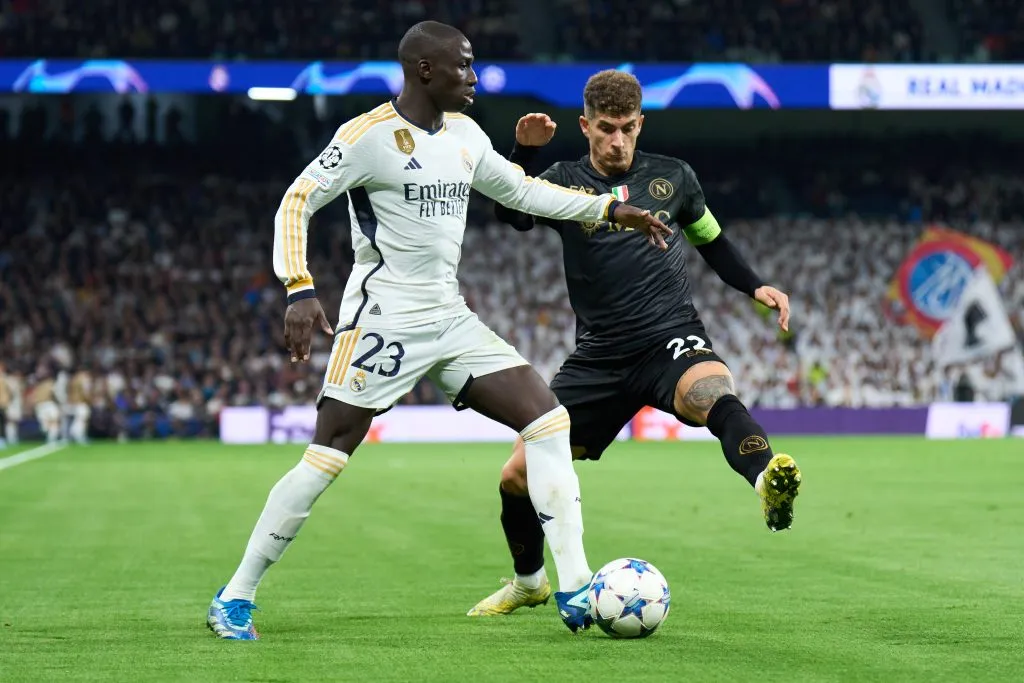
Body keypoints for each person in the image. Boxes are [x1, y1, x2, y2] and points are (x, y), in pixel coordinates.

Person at [206, 23, 671, 640]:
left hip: (449, 317)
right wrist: (299, 286)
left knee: (548, 421)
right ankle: (235, 596)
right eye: (465, 67)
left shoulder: (465, 135)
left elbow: (526, 193)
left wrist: (610, 210)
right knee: (326, 456)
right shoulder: (367, 138)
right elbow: (296, 201)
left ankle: (576, 586)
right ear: (425, 70)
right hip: (383, 320)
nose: (474, 78)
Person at [467, 70, 802, 618]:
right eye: (606, 129)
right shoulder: (563, 179)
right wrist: (522, 154)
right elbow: (513, 214)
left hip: (669, 335)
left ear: (640, 123)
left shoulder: (675, 177)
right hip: (598, 355)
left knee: (710, 390)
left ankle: (767, 479)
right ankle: (529, 582)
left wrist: (754, 284)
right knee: (517, 476)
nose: (618, 140)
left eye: (627, 128)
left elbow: (711, 240)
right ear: (585, 127)